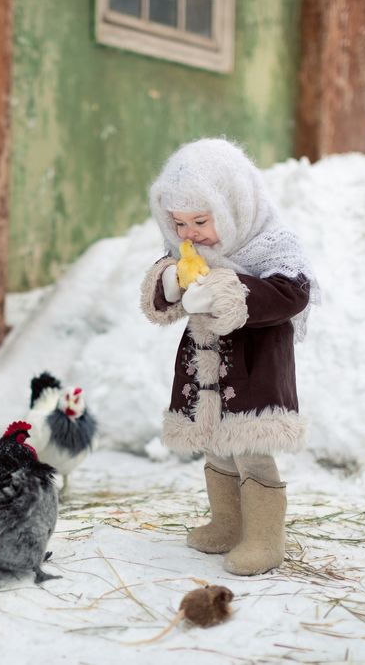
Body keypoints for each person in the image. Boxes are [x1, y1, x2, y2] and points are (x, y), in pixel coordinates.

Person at [140, 138, 318, 576]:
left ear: (232, 204)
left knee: (250, 449)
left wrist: (227, 291)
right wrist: (170, 285)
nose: (189, 234)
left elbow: (291, 293)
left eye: (200, 220)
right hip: (205, 367)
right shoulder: (191, 251)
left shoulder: (271, 243)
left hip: (254, 364)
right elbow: (167, 288)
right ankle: (227, 522)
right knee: (216, 446)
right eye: (178, 223)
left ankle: (263, 538)